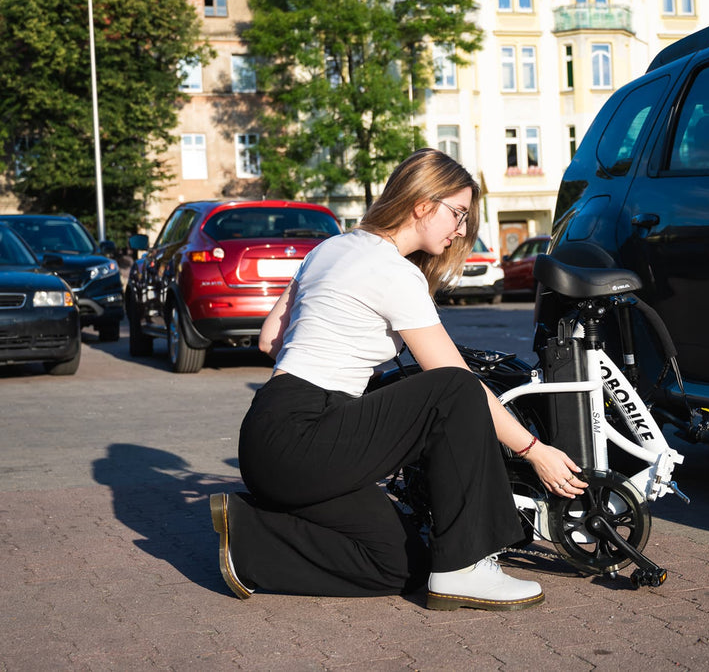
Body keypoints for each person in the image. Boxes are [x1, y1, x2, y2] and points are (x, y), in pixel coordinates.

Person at [210, 148, 587, 611]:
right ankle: (466, 567)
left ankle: (248, 538)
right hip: (304, 433)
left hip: (269, 435)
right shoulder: (392, 271)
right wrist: (535, 451)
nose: (462, 229)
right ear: (422, 204)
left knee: (400, 562)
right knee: (456, 390)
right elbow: (453, 380)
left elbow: (271, 340)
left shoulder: (328, 248)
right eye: (458, 213)